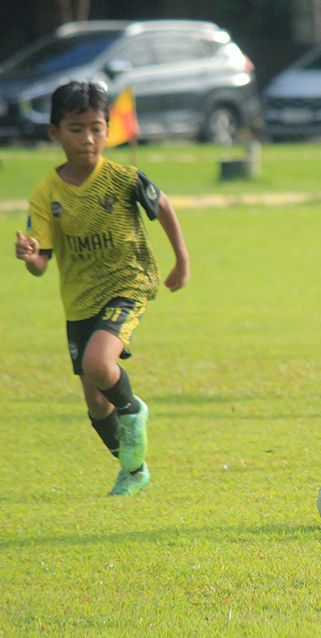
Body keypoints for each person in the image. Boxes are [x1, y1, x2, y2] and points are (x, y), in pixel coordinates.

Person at [13, 81, 190, 495]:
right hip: (79, 301)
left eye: (96, 128)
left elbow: (161, 203)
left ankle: (134, 409)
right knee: (95, 402)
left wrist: (181, 257)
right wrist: (30, 254)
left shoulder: (123, 178)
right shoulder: (47, 194)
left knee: (98, 362)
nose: (88, 139)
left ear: (109, 130)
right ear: (54, 132)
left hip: (128, 282)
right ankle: (133, 470)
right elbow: (41, 265)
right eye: (76, 128)